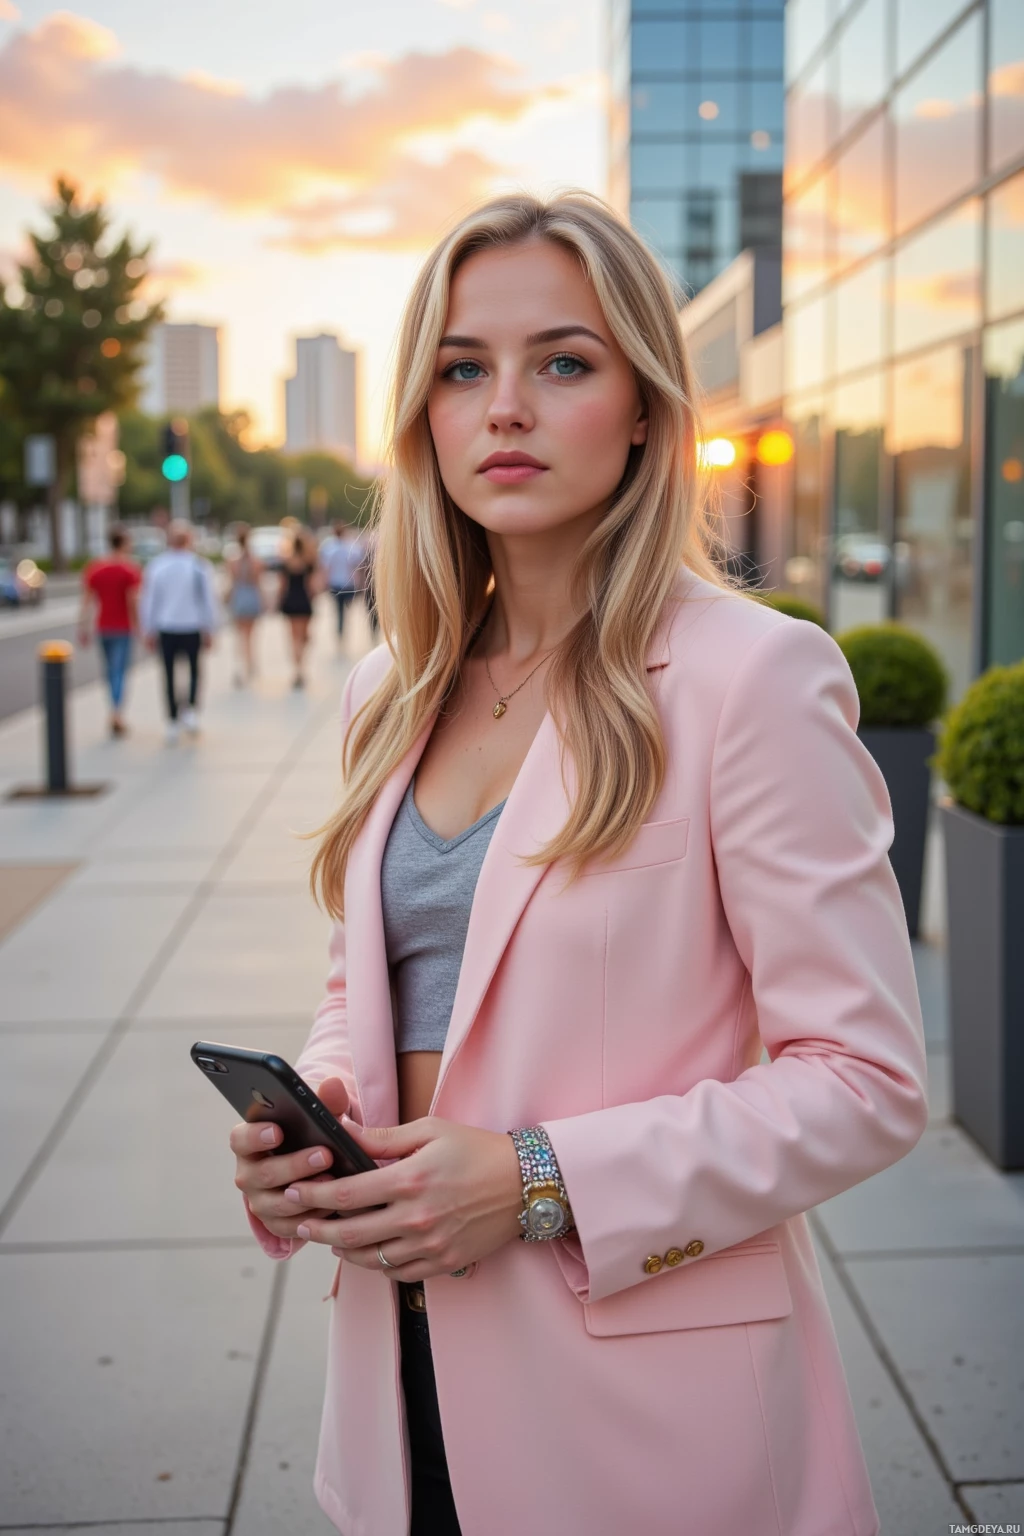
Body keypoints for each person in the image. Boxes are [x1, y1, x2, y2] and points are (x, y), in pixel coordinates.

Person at [229, 193, 928, 1536]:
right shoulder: (393, 690)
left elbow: (867, 1083)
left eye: (563, 362)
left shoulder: (754, 680)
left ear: (648, 407)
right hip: (402, 1381)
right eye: (461, 369)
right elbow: (372, 979)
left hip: (648, 1415)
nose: (505, 408)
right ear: (422, 418)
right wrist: (312, 1114)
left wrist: (540, 1176)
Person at [139, 520, 219, 744]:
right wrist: (210, 627)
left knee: (170, 674)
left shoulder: (160, 566)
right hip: (188, 626)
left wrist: (149, 628)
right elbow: (209, 601)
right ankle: (188, 710)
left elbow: (149, 601)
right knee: (193, 670)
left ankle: (175, 718)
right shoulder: (197, 565)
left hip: (170, 627)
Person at [78, 524, 141, 737]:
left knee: (109, 671)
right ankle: (117, 713)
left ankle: (113, 711)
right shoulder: (129, 569)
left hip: (103, 627)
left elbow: (86, 602)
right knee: (119, 671)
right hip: (122, 628)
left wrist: (83, 627)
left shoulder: (96, 568)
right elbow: (133, 601)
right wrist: (139, 626)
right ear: (123, 543)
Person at [278, 530, 320, 689]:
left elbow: (282, 586)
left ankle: (297, 670)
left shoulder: (286, 563)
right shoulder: (308, 563)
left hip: (290, 601)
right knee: (304, 636)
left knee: (294, 637)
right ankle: (301, 668)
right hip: (303, 601)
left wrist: (279, 601)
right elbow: (312, 586)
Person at [225, 524, 264, 685]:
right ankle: (250, 663)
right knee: (251, 634)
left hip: (239, 597)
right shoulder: (255, 560)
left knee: (240, 635)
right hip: (251, 596)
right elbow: (258, 582)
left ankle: (242, 665)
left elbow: (231, 582)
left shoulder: (232, 560)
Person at [319, 520, 363, 644]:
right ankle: (342, 631)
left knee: (339, 610)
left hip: (336, 583)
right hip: (347, 583)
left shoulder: (329, 547)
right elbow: (356, 566)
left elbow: (326, 568)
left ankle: (340, 631)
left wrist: (324, 582)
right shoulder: (350, 546)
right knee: (345, 611)